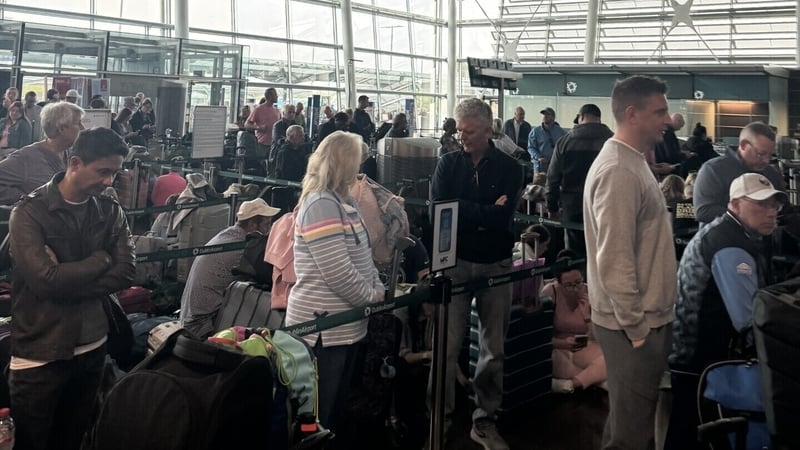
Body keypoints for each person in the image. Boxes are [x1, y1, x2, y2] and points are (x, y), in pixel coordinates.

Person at [7, 127, 134, 450]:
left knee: (73, 441)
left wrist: (63, 277)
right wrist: (100, 259)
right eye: (103, 172)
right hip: (40, 353)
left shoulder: (109, 210)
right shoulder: (29, 212)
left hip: (93, 347)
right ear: (75, 163)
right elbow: (43, 281)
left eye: (115, 173)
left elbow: (126, 272)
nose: (109, 182)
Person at [583, 75, 677, 450]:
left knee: (628, 424)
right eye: (660, 111)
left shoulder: (632, 162)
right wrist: (637, 328)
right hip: (633, 326)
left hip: (642, 321)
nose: (668, 120)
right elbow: (615, 259)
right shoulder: (619, 170)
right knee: (631, 436)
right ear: (632, 114)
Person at [665, 173, 786, 450]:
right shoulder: (730, 244)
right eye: (761, 204)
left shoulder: (726, 231)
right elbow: (747, 319)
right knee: (699, 438)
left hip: (694, 359)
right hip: (704, 365)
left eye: (774, 205)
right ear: (735, 203)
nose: (771, 213)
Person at [431, 97, 523, 450]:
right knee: (446, 348)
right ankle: (438, 421)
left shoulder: (511, 169)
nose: (461, 137)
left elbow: (502, 219)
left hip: (495, 264)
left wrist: (463, 210)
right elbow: (439, 207)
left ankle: (484, 419)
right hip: (453, 264)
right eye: (459, 130)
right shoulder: (447, 164)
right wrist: (486, 210)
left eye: (469, 131)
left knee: (492, 349)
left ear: (488, 130)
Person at [284, 131, 385, 439]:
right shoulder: (321, 205)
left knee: (333, 413)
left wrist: (375, 287)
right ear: (344, 163)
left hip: (345, 329)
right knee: (317, 418)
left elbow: (362, 258)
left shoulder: (344, 202)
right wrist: (372, 297)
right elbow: (337, 272)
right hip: (321, 332)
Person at [179, 198, 280, 338]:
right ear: (252, 224)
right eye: (266, 224)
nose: (269, 230)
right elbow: (269, 277)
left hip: (189, 316)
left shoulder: (227, 235)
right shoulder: (240, 248)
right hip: (202, 325)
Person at [546, 103, 613, 255]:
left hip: (572, 206)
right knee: (603, 253)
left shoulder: (564, 142)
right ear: (599, 118)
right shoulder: (612, 142)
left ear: (581, 117)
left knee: (573, 254)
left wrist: (552, 207)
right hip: (605, 206)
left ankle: (577, 279)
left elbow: (553, 178)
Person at [541, 250, 607, 393]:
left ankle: (569, 385)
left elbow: (598, 337)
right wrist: (562, 343)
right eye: (569, 285)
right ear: (558, 282)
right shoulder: (550, 292)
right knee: (605, 376)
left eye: (578, 282)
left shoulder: (590, 292)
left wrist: (587, 317)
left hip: (584, 345)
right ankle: (594, 380)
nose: (575, 288)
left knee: (610, 359)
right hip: (557, 347)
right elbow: (540, 335)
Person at [694, 121, 784, 225]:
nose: (766, 161)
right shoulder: (714, 170)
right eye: (761, 154)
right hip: (723, 239)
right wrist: (750, 217)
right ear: (743, 145)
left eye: (770, 155)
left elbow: (785, 210)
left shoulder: (770, 172)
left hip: (762, 240)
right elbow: (703, 211)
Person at [0, 102, 85, 205]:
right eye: (78, 123)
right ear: (62, 128)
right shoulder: (26, 158)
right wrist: (23, 199)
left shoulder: (70, 154)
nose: (82, 128)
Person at [527, 106, 565, 173]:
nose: (544, 116)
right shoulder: (535, 131)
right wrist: (539, 157)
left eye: (547, 114)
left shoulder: (560, 132)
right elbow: (531, 147)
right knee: (539, 183)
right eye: (543, 114)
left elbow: (564, 148)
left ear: (553, 117)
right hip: (540, 166)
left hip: (555, 165)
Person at [245, 87, 281, 158]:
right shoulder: (258, 109)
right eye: (275, 95)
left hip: (274, 144)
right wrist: (258, 127)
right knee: (262, 164)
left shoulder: (277, 110)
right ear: (270, 96)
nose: (277, 96)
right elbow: (247, 124)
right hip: (262, 144)